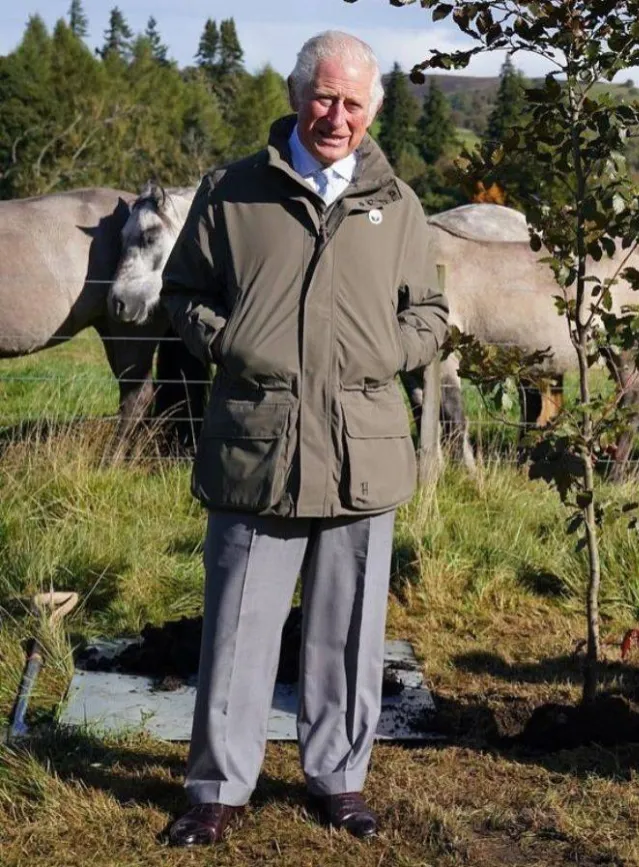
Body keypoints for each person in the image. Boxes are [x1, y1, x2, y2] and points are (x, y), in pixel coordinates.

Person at [159, 31, 449, 847]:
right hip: (260, 442)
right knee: (238, 625)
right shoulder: (233, 191)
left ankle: (340, 779)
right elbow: (183, 293)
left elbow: (429, 312)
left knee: (350, 628)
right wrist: (233, 341)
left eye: (354, 103)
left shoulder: (397, 203)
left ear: (372, 111)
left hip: (363, 448)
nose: (338, 116)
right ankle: (217, 788)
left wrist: (388, 352)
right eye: (325, 97)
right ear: (295, 98)